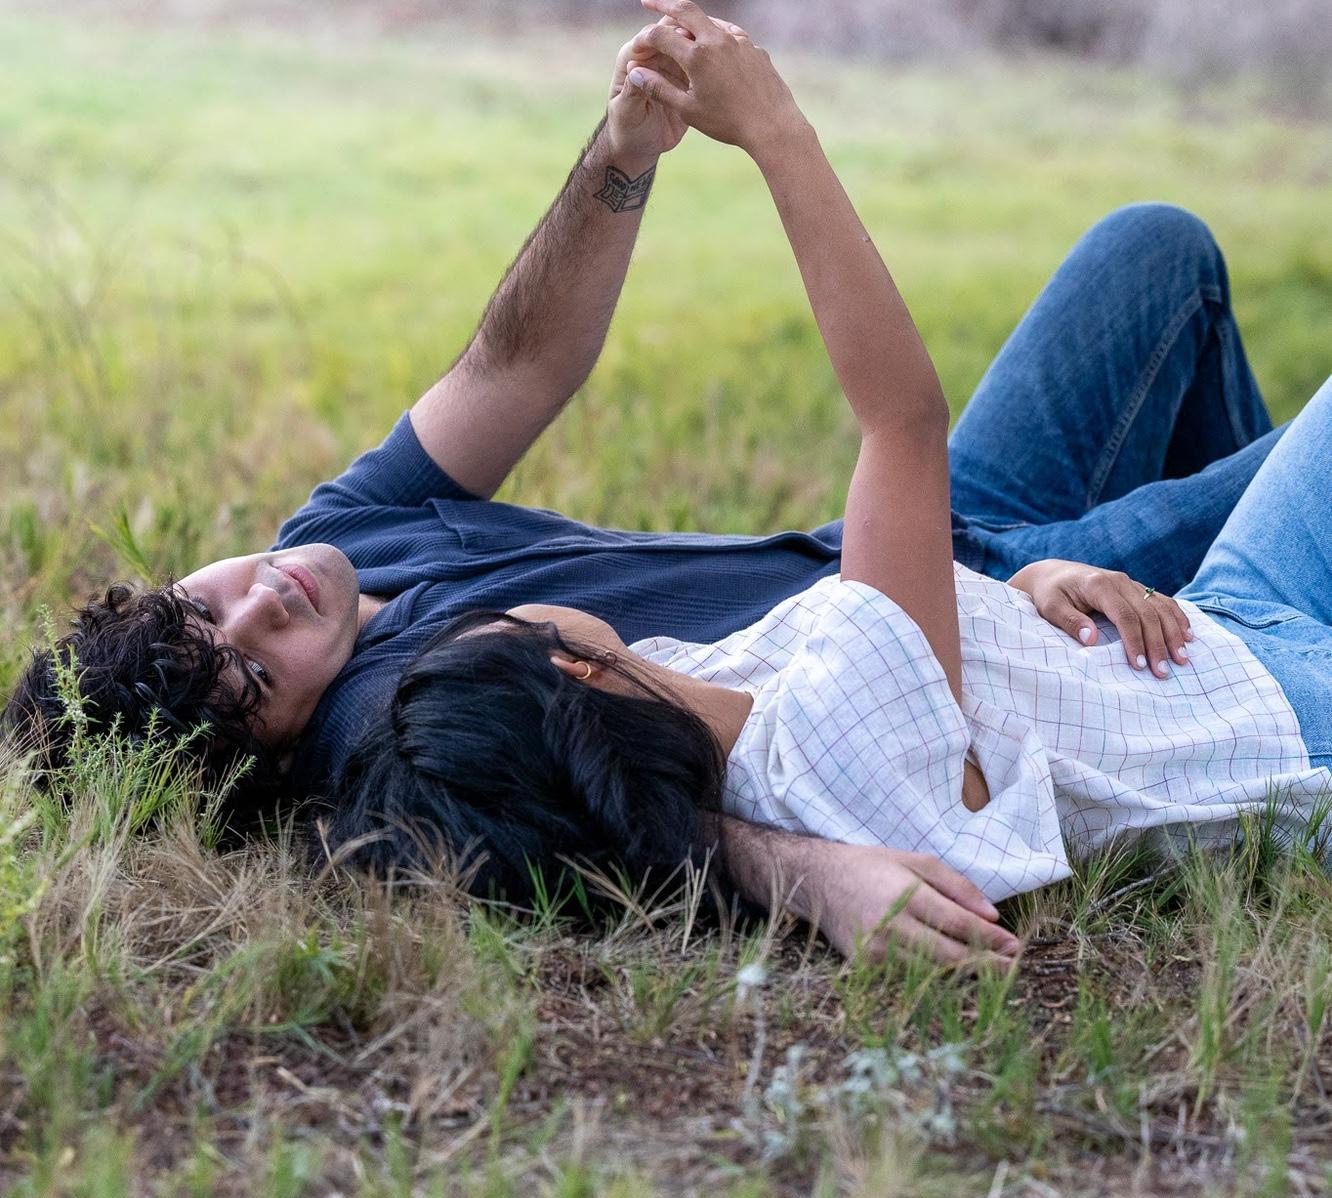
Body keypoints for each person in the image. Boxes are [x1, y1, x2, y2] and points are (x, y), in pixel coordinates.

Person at [0, 1, 1293, 965]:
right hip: (932, 622)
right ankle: (1219, 627)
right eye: (251, 665)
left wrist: (624, 154)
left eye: (203, 597)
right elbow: (597, 791)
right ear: (276, 745)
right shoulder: (394, 721)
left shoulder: (335, 542)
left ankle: (1216, 636)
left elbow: (516, 362)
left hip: (933, 568)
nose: (260, 601)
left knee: (1154, 254)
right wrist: (802, 873)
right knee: (1282, 516)